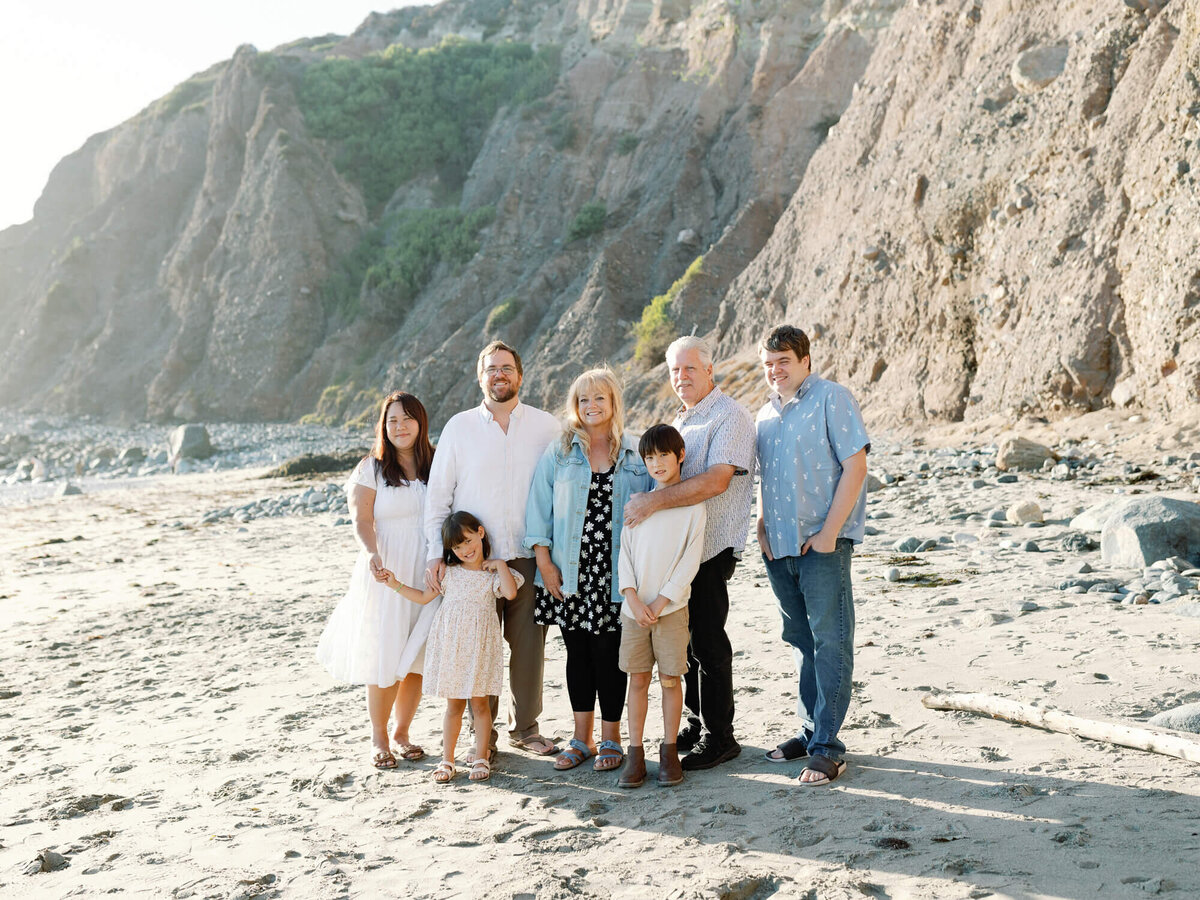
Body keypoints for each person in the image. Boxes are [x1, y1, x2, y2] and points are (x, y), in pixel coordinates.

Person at [423, 340, 562, 759]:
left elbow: (561, 490)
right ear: (479, 377)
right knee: (475, 647)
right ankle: (482, 737)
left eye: (506, 368)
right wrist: (435, 553)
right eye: (491, 369)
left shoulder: (546, 427)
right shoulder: (459, 428)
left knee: (527, 647)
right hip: (471, 563)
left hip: (526, 554)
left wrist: (552, 555)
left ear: (520, 375)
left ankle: (526, 728)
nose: (499, 375)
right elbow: (438, 496)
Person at [623, 336, 756, 770]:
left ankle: (721, 736)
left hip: (712, 546)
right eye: (675, 371)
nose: (682, 377)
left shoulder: (729, 415)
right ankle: (698, 724)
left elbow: (718, 480)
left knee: (710, 644)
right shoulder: (683, 419)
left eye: (690, 368)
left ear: (710, 369)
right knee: (689, 644)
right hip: (678, 554)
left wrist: (652, 503)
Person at [755, 324, 869, 786]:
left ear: (805, 360)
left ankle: (828, 749)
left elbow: (856, 465)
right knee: (801, 641)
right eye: (768, 364)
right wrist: (762, 527)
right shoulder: (764, 413)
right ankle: (809, 731)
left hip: (822, 545)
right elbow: (766, 476)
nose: (775, 371)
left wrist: (828, 534)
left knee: (831, 641)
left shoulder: (831, 398)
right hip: (778, 548)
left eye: (783, 361)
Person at [524, 368, 652, 774]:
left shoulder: (635, 454)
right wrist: (544, 565)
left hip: (618, 576)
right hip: (570, 573)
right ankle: (582, 739)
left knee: (611, 656)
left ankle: (612, 737)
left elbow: (656, 506)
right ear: (574, 406)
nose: (591, 406)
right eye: (583, 400)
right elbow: (537, 511)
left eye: (599, 398)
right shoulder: (559, 452)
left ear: (614, 402)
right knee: (577, 655)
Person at [316, 391, 438, 769]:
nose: (399, 427)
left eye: (407, 419)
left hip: (428, 570)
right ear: (383, 427)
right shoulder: (371, 468)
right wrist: (372, 553)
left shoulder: (437, 464)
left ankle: (403, 732)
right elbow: (361, 520)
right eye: (392, 421)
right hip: (387, 571)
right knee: (386, 652)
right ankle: (379, 737)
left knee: (416, 655)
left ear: (421, 423)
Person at [384, 511, 522, 783]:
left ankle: (481, 757)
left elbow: (511, 593)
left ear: (480, 533)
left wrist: (501, 565)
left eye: (468, 541)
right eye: (457, 547)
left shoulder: (490, 573)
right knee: (454, 706)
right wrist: (395, 584)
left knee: (481, 705)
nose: (465, 550)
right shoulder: (449, 573)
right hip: (452, 648)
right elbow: (424, 597)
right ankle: (447, 760)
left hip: (480, 648)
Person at [616, 424, 706, 788]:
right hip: (634, 612)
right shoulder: (637, 505)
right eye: (649, 457)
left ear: (680, 455)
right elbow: (625, 555)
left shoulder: (692, 508)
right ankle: (635, 754)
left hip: (671, 611)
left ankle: (669, 752)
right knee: (637, 680)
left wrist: (662, 599)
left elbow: (690, 561)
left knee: (671, 680)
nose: (656, 464)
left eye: (663, 456)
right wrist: (633, 598)